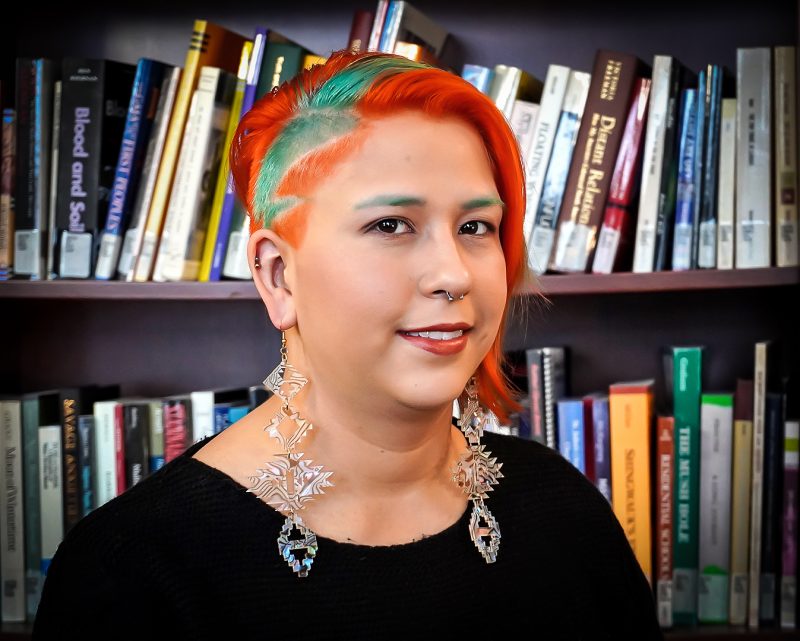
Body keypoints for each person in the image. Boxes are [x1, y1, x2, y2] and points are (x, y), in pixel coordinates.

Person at [33, 51, 662, 640]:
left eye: (476, 227)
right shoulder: (134, 567)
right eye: (390, 225)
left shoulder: (561, 504)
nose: (454, 274)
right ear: (278, 274)